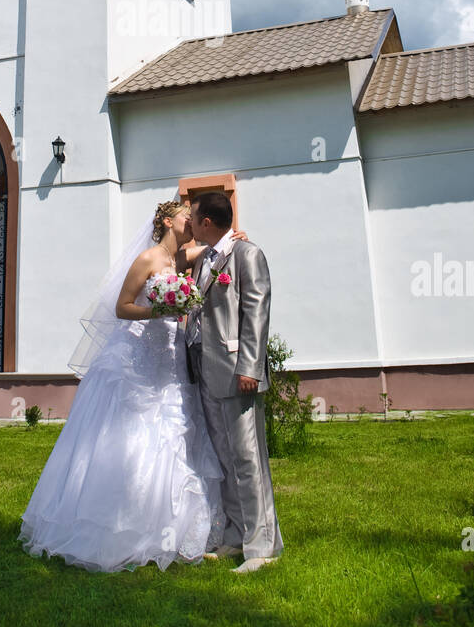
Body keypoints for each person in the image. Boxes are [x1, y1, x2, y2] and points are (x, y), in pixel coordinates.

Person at [17, 200, 235, 573]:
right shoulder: (148, 259)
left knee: (175, 432)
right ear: (168, 221)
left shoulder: (181, 259)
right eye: (187, 218)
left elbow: (214, 247)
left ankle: (175, 529)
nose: (192, 224)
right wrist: (160, 311)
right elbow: (122, 307)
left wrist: (233, 238)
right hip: (139, 355)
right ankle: (119, 528)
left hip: (170, 358)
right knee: (133, 432)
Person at [185, 192, 284, 573]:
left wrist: (250, 367)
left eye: (194, 218)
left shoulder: (247, 255)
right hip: (206, 372)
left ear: (207, 222)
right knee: (224, 458)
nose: (191, 224)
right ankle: (234, 536)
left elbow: (256, 312)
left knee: (248, 459)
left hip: (237, 372)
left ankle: (262, 548)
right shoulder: (205, 260)